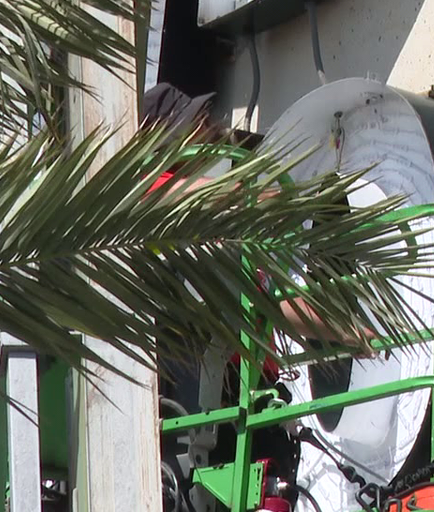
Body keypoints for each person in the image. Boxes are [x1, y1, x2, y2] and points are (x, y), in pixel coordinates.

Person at [140, 83, 371, 347]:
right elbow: (214, 195)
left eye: (200, 119)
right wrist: (284, 200)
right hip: (227, 366)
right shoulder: (153, 185)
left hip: (253, 366)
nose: (206, 128)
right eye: (195, 124)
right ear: (165, 140)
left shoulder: (197, 216)